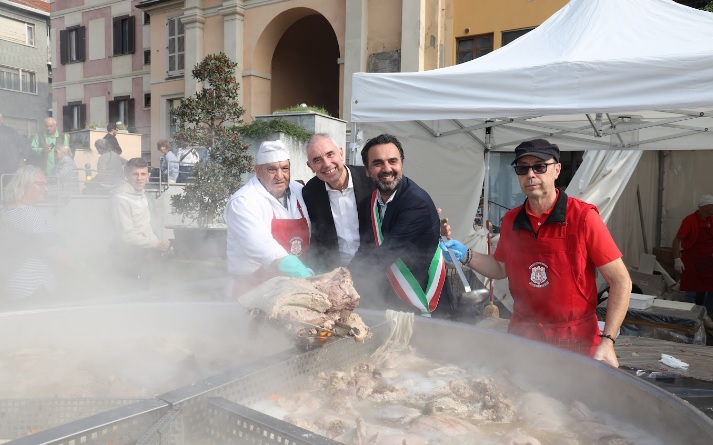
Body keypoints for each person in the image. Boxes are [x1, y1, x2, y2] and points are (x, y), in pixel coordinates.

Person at [441, 139, 631, 367]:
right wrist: (466, 255)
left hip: (574, 340)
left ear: (557, 170)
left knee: (573, 402)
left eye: (540, 166)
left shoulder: (583, 217)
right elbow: (500, 268)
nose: (531, 174)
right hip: (524, 337)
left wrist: (608, 340)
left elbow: (620, 281)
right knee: (518, 398)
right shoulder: (512, 220)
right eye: (523, 168)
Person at [348, 134, 446, 317]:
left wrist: (341, 282)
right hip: (389, 302)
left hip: (422, 303)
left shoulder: (417, 203)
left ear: (401, 164)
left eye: (393, 161)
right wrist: (342, 275)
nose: (387, 169)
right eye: (378, 163)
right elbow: (365, 250)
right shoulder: (368, 204)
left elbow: (385, 255)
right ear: (367, 171)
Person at [224, 139, 312, 297]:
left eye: (285, 168)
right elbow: (260, 245)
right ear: (257, 170)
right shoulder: (243, 201)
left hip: (293, 287)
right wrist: (296, 268)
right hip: (252, 288)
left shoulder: (299, 191)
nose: (280, 176)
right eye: (272, 169)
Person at [302, 133, 376, 273]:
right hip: (335, 274)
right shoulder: (310, 192)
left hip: (375, 269)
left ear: (341, 153)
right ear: (310, 166)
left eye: (330, 154)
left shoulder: (370, 179)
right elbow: (318, 241)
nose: (327, 164)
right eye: (317, 160)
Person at [0, 166, 60, 303]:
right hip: (34, 288)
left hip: (12, 288)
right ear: (23, 185)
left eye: (46, 184)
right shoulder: (29, 213)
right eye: (40, 184)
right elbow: (50, 250)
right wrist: (81, 267)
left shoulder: (5, 211)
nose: (46, 189)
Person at [109, 158, 172, 283]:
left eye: (143, 174)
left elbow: (147, 227)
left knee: (149, 293)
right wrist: (156, 244)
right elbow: (127, 236)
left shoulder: (143, 196)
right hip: (126, 257)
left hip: (143, 255)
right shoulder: (120, 199)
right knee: (132, 295)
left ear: (148, 176)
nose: (139, 178)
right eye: (135, 174)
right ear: (126, 176)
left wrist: (160, 245)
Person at [672, 194, 713, 315]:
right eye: (712, 206)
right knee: (691, 289)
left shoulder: (711, 219)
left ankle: (707, 314)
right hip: (692, 261)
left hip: (708, 260)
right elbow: (677, 240)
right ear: (704, 207)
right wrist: (677, 259)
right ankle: (689, 315)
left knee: (711, 288)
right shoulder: (689, 220)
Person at [0, 113, 29, 178]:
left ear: (2, 120)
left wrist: (23, 158)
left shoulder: (12, 132)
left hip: (11, 168)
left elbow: (25, 145)